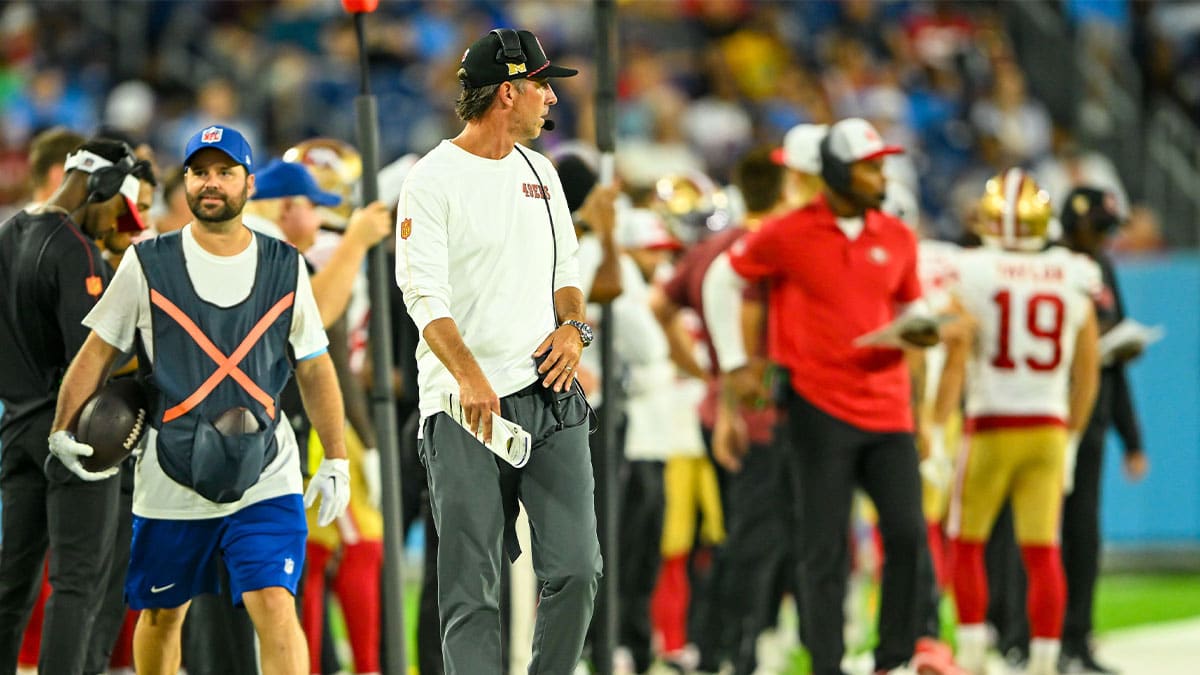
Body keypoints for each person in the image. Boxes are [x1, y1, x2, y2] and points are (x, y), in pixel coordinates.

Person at [45, 125, 351, 675]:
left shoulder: (285, 264)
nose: (212, 183)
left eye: (224, 172)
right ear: (184, 181)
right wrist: (61, 428)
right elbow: (96, 354)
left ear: (248, 183)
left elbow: (315, 364)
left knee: (277, 605)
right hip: (170, 474)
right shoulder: (146, 264)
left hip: (267, 470)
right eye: (200, 171)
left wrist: (336, 458)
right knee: (162, 615)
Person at [395, 28, 602, 674]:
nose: (552, 100)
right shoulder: (432, 180)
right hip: (465, 408)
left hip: (549, 395)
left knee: (578, 567)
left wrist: (574, 329)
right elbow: (423, 296)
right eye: (543, 86)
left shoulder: (542, 173)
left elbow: (568, 274)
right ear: (508, 92)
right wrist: (468, 377)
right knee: (471, 588)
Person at [720, 118, 937, 675]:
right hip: (818, 408)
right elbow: (728, 278)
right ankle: (828, 665)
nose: (881, 174)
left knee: (909, 536)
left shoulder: (897, 235)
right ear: (840, 172)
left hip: (888, 407)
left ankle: (895, 658)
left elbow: (911, 311)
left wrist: (922, 341)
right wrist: (738, 364)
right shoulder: (789, 231)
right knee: (823, 549)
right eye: (870, 166)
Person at [938, 170, 1101, 675]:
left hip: (990, 423)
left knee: (967, 543)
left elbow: (957, 347)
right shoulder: (1074, 271)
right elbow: (1088, 372)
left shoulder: (970, 268)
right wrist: (1072, 436)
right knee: (1042, 551)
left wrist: (936, 418)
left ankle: (971, 655)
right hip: (1048, 428)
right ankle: (1045, 661)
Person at [0, 137, 148, 675]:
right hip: (75, 435)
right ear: (102, 185)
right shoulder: (76, 251)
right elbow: (94, 358)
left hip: (14, 431)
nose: (119, 221)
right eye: (120, 204)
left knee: (11, 586)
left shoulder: (8, 233)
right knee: (76, 583)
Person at [1056, 187, 1148, 673]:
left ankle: (1078, 638)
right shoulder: (1049, 266)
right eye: (1101, 227)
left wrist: (1131, 439)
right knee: (1033, 534)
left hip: (1090, 418)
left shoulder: (1102, 271)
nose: (1108, 237)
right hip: (1048, 416)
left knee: (1083, 533)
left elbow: (1114, 362)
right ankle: (1023, 635)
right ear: (1076, 222)